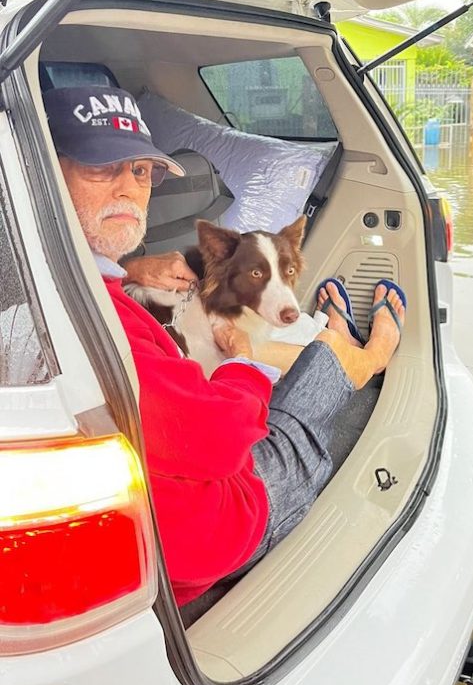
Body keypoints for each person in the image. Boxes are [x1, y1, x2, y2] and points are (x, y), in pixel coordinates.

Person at [45, 86, 405, 619]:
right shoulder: (93, 323)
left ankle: (330, 348)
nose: (129, 188)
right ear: (44, 174)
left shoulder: (47, 275)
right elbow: (219, 442)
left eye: (142, 171)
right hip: (209, 534)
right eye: (103, 169)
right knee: (295, 411)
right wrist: (242, 366)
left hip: (149, 513)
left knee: (275, 357)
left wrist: (132, 271)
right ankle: (363, 357)